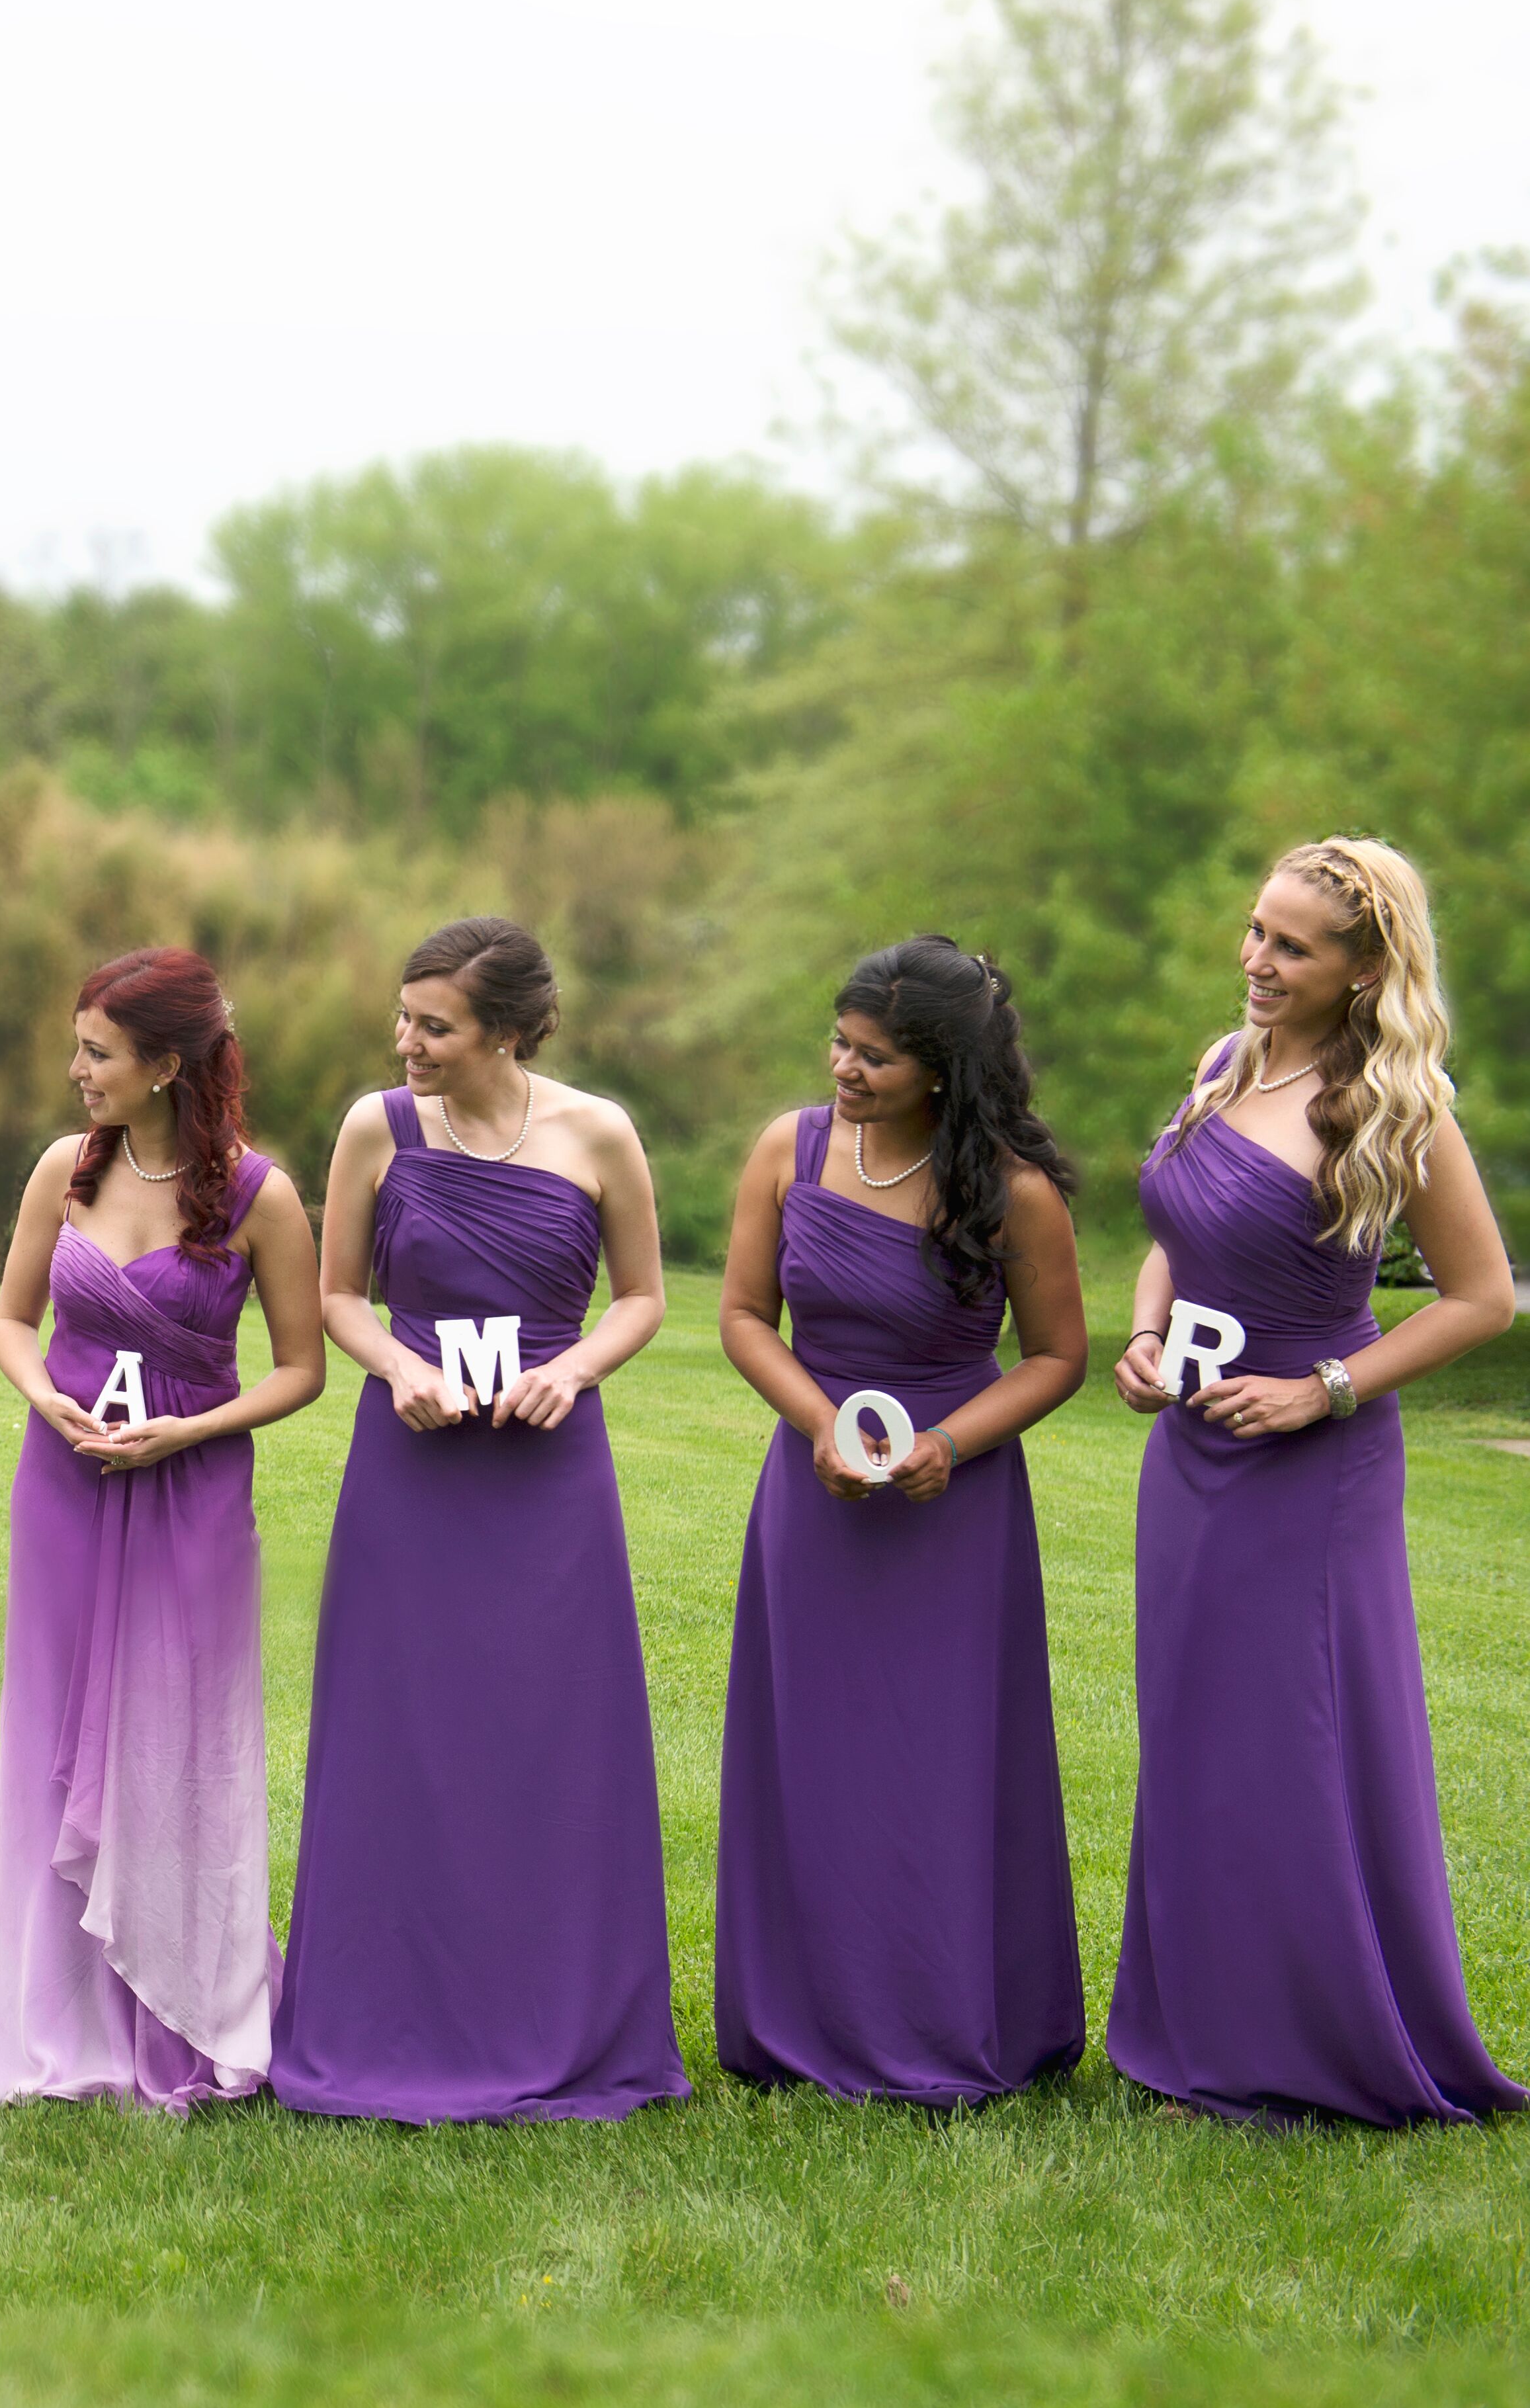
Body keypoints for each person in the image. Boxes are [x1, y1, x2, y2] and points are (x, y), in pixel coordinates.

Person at [1108, 837, 1520, 2126]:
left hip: (1314, 1467)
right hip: (1192, 1453)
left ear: (1363, 969)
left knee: (1290, 1746)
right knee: (1193, 1743)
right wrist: (1143, 1330)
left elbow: (1484, 1298)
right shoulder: (1226, 1064)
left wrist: (1324, 1389)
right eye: (1255, 930)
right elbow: (1175, 1235)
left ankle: (1308, 2041)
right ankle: (1195, 2029)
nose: (1257, 959)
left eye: (1292, 945)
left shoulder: (1397, 1105)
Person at [271, 915, 687, 2124]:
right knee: (400, 1732)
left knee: (549, 1740)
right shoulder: (375, 1128)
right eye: (402, 1018)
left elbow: (646, 1296)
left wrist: (580, 1369)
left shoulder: (599, 1131)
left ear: (506, 1031)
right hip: (414, 1459)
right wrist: (398, 1365)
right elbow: (338, 1294)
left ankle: (557, 2015)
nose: (406, 1041)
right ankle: (381, 2014)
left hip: (549, 1469)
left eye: (433, 1026)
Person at [711, 936, 1088, 2105]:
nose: (845, 1067)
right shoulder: (792, 1147)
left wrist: (954, 1443)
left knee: (938, 1762)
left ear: (943, 1068)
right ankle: (793, 2021)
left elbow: (1061, 1356)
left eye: (875, 1056)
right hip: (813, 1492)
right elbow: (741, 1315)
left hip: (951, 1507)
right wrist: (819, 1423)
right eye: (840, 1041)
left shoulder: (1013, 1192)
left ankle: (944, 2015)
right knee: (807, 1757)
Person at [0, 947, 321, 2110]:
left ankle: (192, 2003)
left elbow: (302, 1368)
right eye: (78, 1046)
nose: (76, 1070)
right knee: (57, 1734)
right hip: (66, 1479)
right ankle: (65, 2016)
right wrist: (46, 1395)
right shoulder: (62, 1172)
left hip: (193, 1487)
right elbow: (14, 1321)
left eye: (98, 1052)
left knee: (180, 1738)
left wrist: (191, 1432)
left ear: (167, 1064)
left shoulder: (261, 1194)